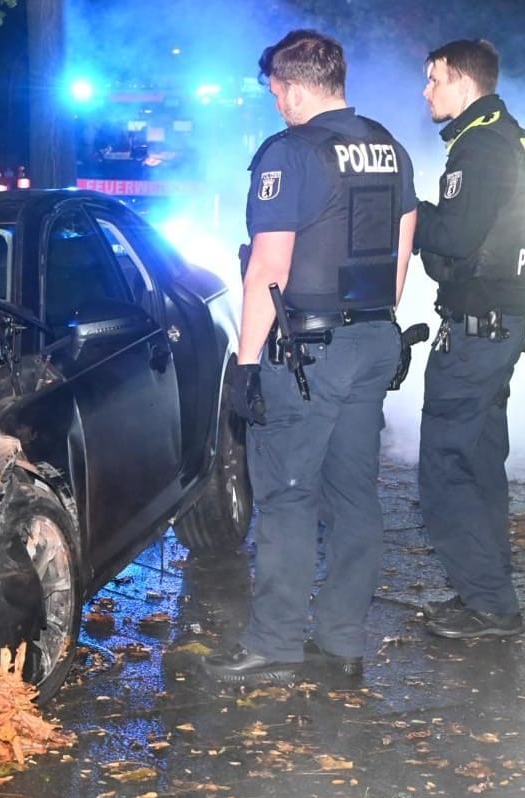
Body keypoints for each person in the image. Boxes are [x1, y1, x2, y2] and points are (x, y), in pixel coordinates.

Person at [201, 29, 416, 685]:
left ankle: (275, 643)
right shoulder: (389, 148)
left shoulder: (288, 153)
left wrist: (245, 364)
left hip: (306, 351)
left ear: (294, 88)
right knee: (355, 496)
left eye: (275, 92)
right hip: (374, 338)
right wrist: (373, 323)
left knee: (289, 496)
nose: (275, 104)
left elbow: (269, 264)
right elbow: (402, 256)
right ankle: (343, 638)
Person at [412, 39, 525, 640]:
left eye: (433, 80)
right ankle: (487, 592)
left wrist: (407, 214)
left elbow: (458, 238)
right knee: (482, 463)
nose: (426, 92)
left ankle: (490, 604)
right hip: (499, 326)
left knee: (447, 467)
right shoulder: (513, 136)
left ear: (463, 82)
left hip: (476, 332)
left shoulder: (482, 144)